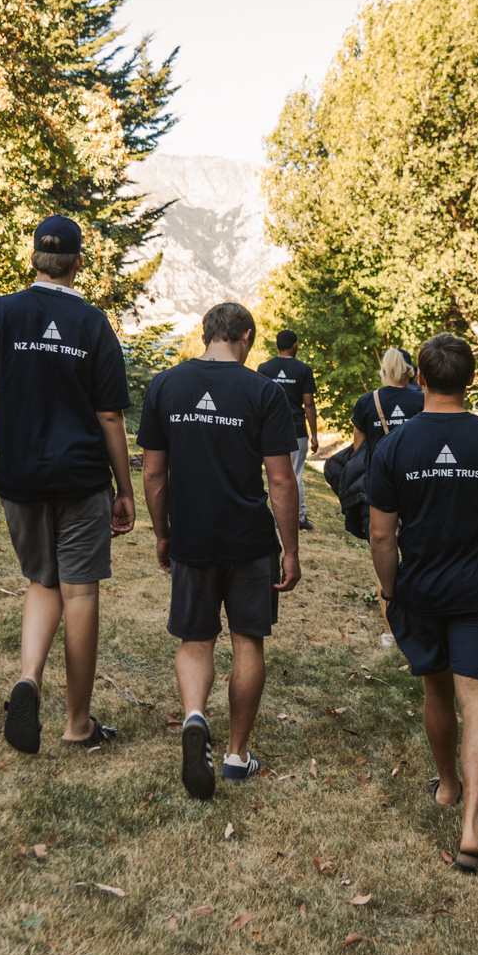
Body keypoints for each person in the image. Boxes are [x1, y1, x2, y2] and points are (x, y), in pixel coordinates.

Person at [0, 215, 135, 756]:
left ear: (34, 257)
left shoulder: (0, 314)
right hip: (82, 478)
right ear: (78, 261)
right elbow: (110, 418)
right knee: (79, 592)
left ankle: (29, 679)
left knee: (41, 581)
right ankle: (77, 723)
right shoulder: (93, 324)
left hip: (21, 477)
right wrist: (125, 490)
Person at [367, 333, 478, 872]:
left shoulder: (395, 444)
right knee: (477, 702)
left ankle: (446, 787)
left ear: (419, 378)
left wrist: (391, 590)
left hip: (420, 589)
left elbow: (380, 536)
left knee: (435, 689)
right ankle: (472, 828)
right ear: (470, 379)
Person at [138, 303, 302, 801]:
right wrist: (290, 549)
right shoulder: (263, 391)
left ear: (204, 333)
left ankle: (194, 716)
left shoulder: (165, 386)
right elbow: (280, 478)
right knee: (248, 641)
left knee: (196, 641)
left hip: (192, 536)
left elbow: (152, 473)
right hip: (249, 540)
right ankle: (235, 755)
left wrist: (162, 534)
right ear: (247, 337)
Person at [351, 347, 425, 650]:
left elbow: (359, 452)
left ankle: (391, 632)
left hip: (380, 491)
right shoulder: (422, 400)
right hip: (419, 488)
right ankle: (422, 624)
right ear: (410, 370)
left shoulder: (368, 402)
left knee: (385, 559)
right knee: (419, 556)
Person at [256, 329, 319, 531]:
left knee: (270, 475)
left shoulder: (264, 368)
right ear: (294, 345)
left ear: (277, 345)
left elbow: (257, 401)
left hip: (268, 429)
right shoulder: (303, 369)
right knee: (295, 473)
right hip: (296, 429)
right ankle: (298, 517)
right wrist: (314, 435)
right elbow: (309, 404)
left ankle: (269, 514)